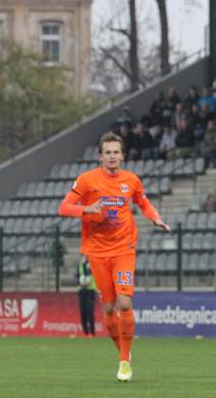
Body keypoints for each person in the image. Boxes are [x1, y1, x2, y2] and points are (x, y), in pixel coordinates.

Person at [58, 132, 171, 381]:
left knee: (125, 303)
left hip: (124, 249)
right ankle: (124, 353)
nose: (112, 156)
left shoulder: (131, 180)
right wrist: (87, 208)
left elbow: (142, 202)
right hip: (97, 252)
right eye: (107, 152)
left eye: (115, 152)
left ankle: (123, 363)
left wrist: (155, 218)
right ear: (101, 156)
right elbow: (63, 208)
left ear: (122, 156)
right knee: (109, 308)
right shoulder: (87, 180)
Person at [77, 254, 97, 337]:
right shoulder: (81, 264)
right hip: (82, 290)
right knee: (83, 311)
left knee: (90, 311)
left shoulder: (93, 263)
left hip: (91, 289)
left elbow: (93, 274)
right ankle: (85, 332)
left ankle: (92, 332)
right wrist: (81, 281)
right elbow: (78, 275)